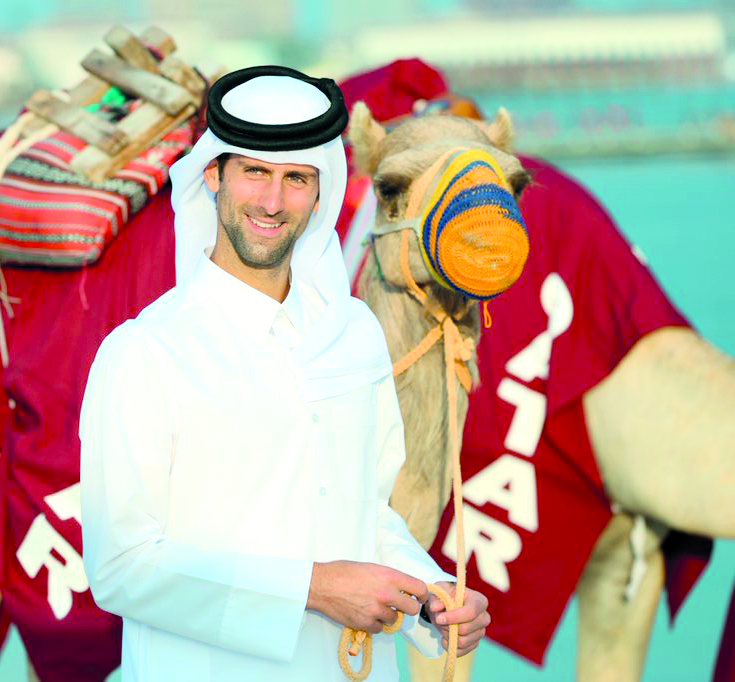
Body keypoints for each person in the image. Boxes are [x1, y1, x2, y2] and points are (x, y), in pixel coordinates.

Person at [79, 65, 490, 681]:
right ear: (213, 175)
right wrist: (313, 589)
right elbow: (121, 566)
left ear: (321, 191)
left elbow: (366, 514)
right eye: (255, 173)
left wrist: (430, 596)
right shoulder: (145, 352)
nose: (272, 202)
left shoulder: (353, 333)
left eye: (297, 179)